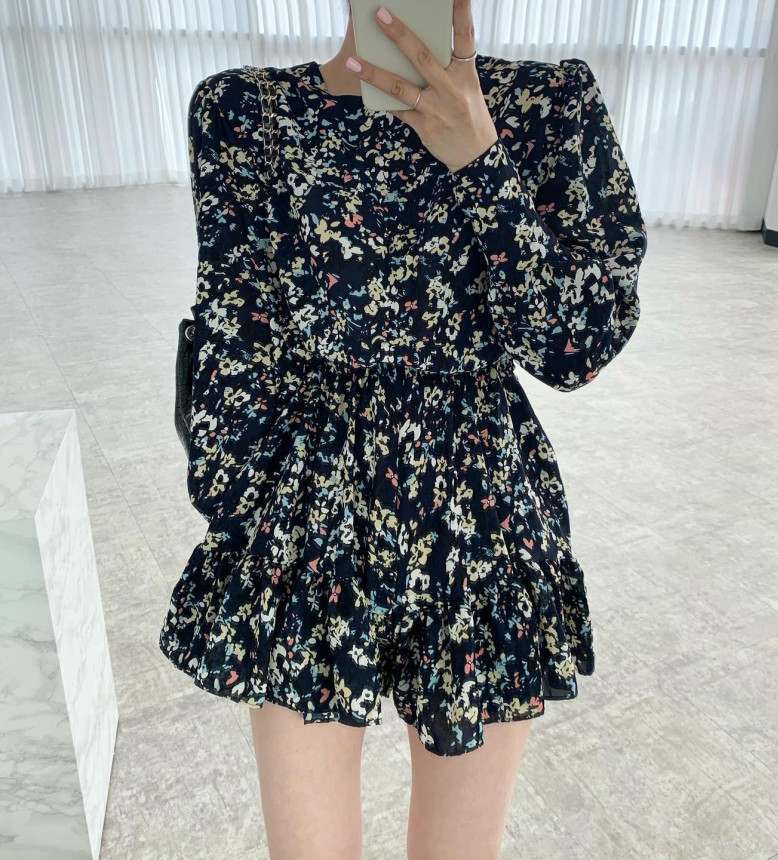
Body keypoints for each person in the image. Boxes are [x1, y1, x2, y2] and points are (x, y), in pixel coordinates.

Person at [158, 1, 647, 857]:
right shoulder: (243, 111)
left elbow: (577, 345)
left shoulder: (549, 105)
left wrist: (482, 160)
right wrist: (245, 531)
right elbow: (234, 340)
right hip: (307, 521)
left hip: (482, 522)